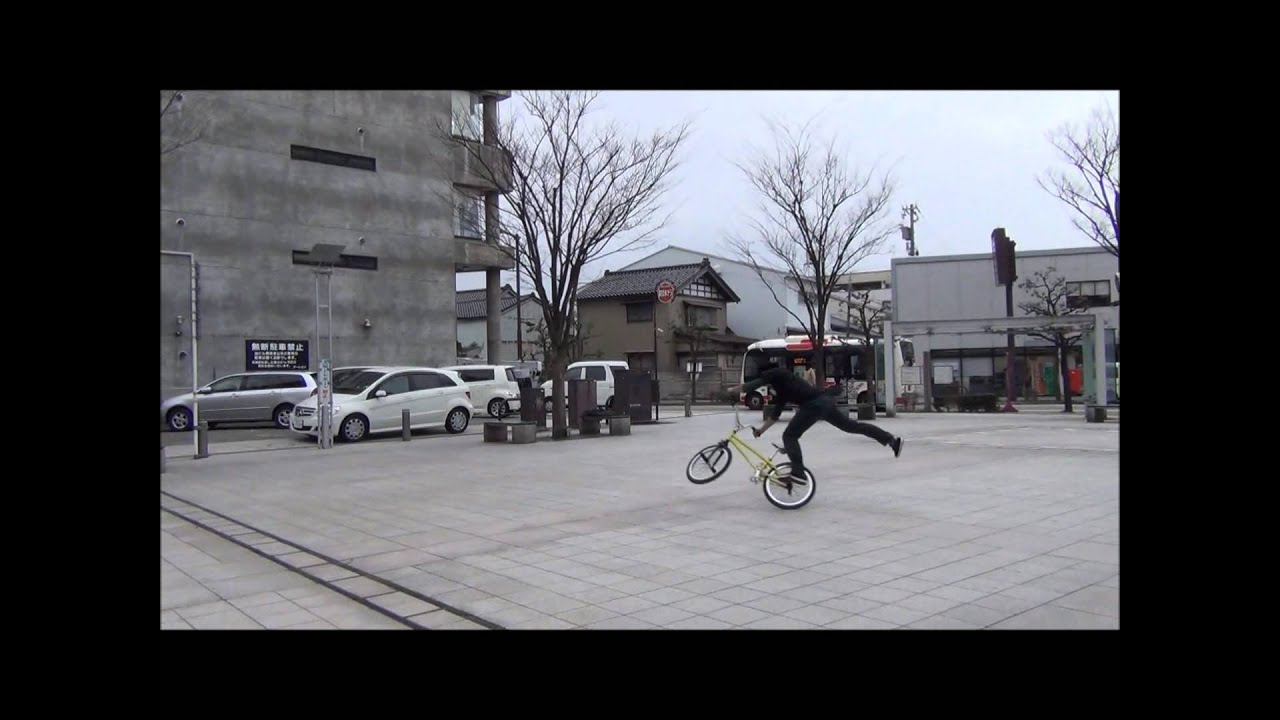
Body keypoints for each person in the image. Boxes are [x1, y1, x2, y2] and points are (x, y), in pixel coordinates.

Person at [729, 361, 903, 484]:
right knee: (852, 427)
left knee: (790, 436)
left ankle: (798, 473)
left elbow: (750, 386)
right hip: (823, 402)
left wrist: (731, 390)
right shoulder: (783, 386)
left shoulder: (775, 374)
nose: (766, 384)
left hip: (814, 405)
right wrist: (761, 431)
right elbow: (775, 414)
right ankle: (891, 440)